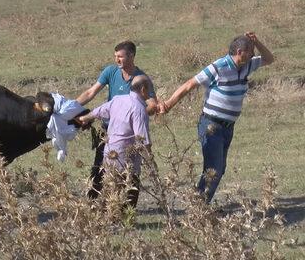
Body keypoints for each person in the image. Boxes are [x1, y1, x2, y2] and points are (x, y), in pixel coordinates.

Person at [159, 32, 274, 203]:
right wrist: (168, 104)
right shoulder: (219, 66)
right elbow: (190, 84)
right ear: (240, 51)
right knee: (214, 168)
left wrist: (257, 42)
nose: (253, 54)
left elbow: (269, 59)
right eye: (250, 51)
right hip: (211, 125)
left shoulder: (248, 65)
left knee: (219, 168)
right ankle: (199, 207)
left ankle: (199, 204)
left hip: (228, 127)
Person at [75, 41, 158, 199]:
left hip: (129, 135)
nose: (117, 60)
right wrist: (71, 107)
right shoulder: (111, 71)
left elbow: (152, 105)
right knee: (99, 167)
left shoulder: (141, 79)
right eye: (115, 56)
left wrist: (130, 117)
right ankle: (93, 202)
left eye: (120, 57)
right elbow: (91, 92)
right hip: (108, 130)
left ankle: (121, 207)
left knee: (127, 172)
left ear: (131, 56)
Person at [78, 75, 153, 208]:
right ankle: (124, 224)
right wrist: (151, 162)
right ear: (143, 89)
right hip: (126, 159)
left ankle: (108, 221)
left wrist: (85, 118)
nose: (151, 92)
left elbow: (99, 111)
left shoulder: (118, 99)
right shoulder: (139, 109)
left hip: (110, 154)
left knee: (110, 193)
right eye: (150, 89)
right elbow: (142, 140)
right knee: (129, 194)